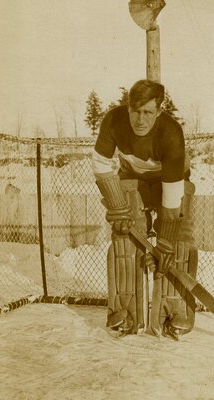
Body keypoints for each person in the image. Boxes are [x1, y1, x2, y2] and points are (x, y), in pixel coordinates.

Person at [92, 79, 197, 340]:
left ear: (159, 111)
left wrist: (165, 242)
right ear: (127, 107)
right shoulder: (114, 120)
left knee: (178, 241)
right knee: (124, 236)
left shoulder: (171, 133)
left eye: (148, 112)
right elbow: (100, 162)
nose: (140, 119)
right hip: (133, 177)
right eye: (135, 111)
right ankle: (126, 311)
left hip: (171, 179)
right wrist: (117, 207)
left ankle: (174, 309)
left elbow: (172, 202)